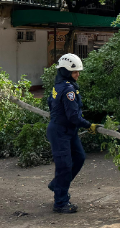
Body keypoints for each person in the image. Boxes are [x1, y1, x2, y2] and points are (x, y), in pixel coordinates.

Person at [46, 53, 100, 213]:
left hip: (68, 130)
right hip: (60, 132)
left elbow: (50, 103)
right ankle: (60, 203)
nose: (77, 74)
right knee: (64, 166)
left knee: (79, 157)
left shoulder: (59, 86)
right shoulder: (68, 90)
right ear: (65, 71)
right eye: (74, 71)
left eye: (77, 71)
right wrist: (89, 125)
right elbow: (73, 116)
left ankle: (57, 185)